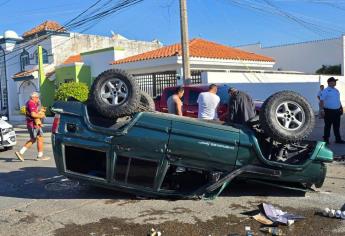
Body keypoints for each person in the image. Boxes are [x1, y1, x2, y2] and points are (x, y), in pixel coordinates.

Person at [15, 92, 50, 161]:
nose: (38, 99)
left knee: (36, 139)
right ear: (33, 97)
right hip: (34, 124)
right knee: (37, 139)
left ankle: (22, 153)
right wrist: (41, 115)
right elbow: (33, 114)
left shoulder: (30, 103)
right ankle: (38, 156)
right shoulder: (31, 103)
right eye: (37, 98)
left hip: (32, 124)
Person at [319, 77, 344, 144]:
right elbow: (321, 101)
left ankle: (338, 139)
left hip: (337, 111)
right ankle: (326, 140)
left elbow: (338, 100)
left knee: (337, 126)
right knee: (328, 126)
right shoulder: (325, 91)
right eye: (334, 81)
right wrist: (321, 110)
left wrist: (341, 108)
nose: (335, 82)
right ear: (329, 82)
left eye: (335, 81)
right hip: (328, 111)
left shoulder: (336, 90)